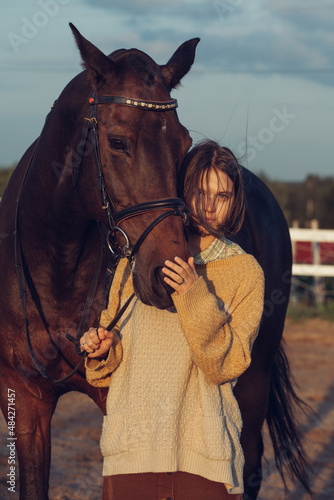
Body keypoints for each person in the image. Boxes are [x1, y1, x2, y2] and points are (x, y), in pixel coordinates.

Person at [80, 140, 264, 500]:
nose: (208, 206)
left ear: (234, 202)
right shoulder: (133, 262)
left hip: (205, 460)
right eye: (199, 192)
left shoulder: (246, 273)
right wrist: (102, 348)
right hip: (132, 453)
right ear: (182, 191)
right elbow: (109, 363)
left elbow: (225, 366)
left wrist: (195, 294)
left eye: (221, 195)